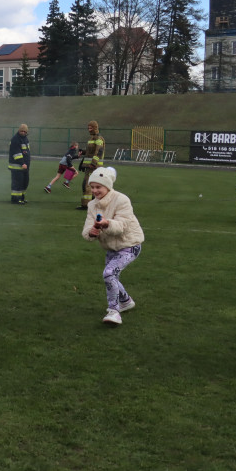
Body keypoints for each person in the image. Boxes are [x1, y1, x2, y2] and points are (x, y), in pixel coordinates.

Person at [81, 167, 143, 326]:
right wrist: (92, 232)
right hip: (111, 248)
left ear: (107, 186)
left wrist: (107, 223)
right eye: (92, 187)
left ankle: (114, 311)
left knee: (108, 273)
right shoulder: (92, 205)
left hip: (130, 245)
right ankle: (126, 301)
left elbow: (122, 226)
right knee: (112, 276)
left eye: (98, 187)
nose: (95, 190)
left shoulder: (122, 200)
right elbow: (87, 231)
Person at [78, 120, 105, 210]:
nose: (89, 129)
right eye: (88, 128)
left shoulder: (98, 138)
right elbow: (90, 152)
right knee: (91, 185)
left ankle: (86, 205)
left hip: (94, 167)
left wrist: (93, 163)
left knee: (87, 185)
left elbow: (99, 152)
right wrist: (83, 152)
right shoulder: (92, 139)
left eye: (91, 128)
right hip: (90, 166)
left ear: (95, 128)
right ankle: (93, 203)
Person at [8, 123, 31, 204]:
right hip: (17, 167)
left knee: (25, 182)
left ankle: (21, 197)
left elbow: (27, 153)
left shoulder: (25, 139)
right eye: (22, 131)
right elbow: (17, 154)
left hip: (25, 166)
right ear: (19, 130)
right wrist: (22, 163)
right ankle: (15, 199)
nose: (23, 133)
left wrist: (27, 164)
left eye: (25, 131)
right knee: (17, 183)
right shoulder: (15, 139)